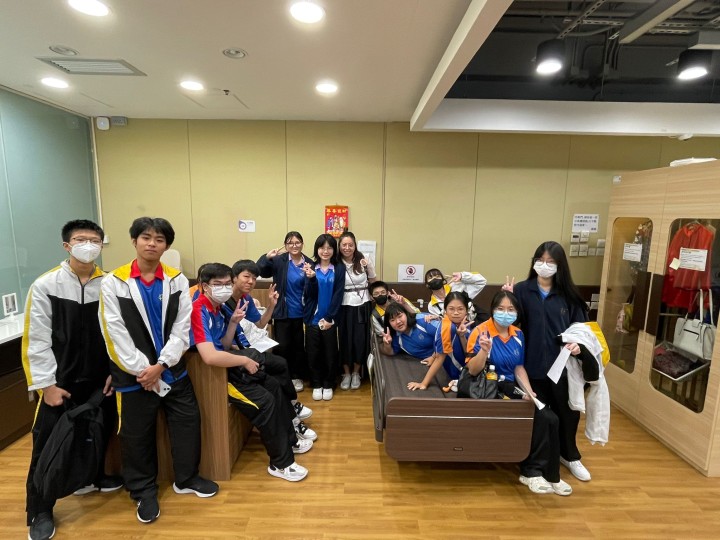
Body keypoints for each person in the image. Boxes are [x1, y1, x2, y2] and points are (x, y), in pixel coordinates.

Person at [99, 217, 218, 525]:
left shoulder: (176, 280)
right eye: (146, 237)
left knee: (188, 422)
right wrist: (144, 370)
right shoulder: (114, 282)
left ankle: (186, 478)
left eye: (160, 239)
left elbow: (181, 327)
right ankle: (143, 491)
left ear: (167, 246)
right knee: (136, 436)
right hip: (134, 377)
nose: (152, 243)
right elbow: (114, 332)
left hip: (172, 370)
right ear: (134, 241)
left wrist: (162, 364)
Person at [22, 219, 121, 540]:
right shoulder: (46, 285)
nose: (88, 245)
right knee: (47, 444)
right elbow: (36, 340)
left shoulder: (109, 284)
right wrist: (46, 386)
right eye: (81, 239)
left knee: (97, 431)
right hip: (60, 381)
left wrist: (114, 371)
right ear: (67, 245)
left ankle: (90, 478)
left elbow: (117, 333)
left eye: (94, 240)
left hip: (100, 379)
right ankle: (40, 509)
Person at [191, 263, 313, 482]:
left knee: (274, 386)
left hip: (230, 365)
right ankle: (281, 463)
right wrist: (244, 359)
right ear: (204, 286)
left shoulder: (219, 308)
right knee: (266, 402)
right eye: (218, 284)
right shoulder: (198, 309)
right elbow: (209, 357)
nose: (224, 288)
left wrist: (233, 323)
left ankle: (290, 440)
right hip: (216, 377)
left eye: (226, 283)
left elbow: (224, 344)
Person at [466, 291, 572, 496]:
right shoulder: (480, 331)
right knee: (540, 417)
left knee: (551, 418)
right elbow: (472, 370)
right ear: (492, 310)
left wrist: (529, 391)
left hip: (513, 385)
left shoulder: (518, 334)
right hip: (490, 386)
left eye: (511, 309)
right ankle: (531, 472)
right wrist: (484, 350)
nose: (505, 313)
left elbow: (518, 368)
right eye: (500, 309)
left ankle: (552, 475)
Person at [510, 241, 591, 482]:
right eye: (540, 260)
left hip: (563, 367)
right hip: (531, 364)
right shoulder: (521, 290)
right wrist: (508, 298)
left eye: (551, 262)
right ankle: (538, 461)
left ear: (560, 265)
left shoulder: (569, 295)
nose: (544, 265)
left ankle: (570, 455)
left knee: (568, 413)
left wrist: (578, 346)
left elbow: (582, 330)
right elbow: (510, 323)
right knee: (540, 416)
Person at [223, 259, 316, 440]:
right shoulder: (222, 301)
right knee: (277, 368)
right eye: (246, 277)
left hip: (245, 348)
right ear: (234, 278)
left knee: (279, 365)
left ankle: (291, 408)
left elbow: (260, 323)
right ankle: (292, 415)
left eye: (254, 278)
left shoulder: (245, 298)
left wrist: (272, 304)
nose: (251, 281)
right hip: (234, 354)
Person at [257, 231, 314, 392]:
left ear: (302, 244)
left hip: (302, 311)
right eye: (290, 243)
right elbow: (261, 271)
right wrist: (266, 257)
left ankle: (297, 376)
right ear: (285, 245)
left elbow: (312, 287)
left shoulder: (309, 263)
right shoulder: (279, 260)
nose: (294, 245)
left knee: (298, 346)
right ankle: (284, 376)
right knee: (283, 346)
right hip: (283, 310)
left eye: (297, 242)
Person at [302, 234, 345, 401]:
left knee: (330, 353)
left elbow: (338, 294)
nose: (325, 251)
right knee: (313, 353)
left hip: (330, 319)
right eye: (322, 247)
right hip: (313, 318)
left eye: (329, 248)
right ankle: (316, 383)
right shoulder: (311, 267)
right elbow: (309, 294)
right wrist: (311, 279)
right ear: (317, 249)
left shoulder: (338, 268)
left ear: (334, 250)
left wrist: (329, 318)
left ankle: (328, 383)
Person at [406, 291, 475, 391]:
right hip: (461, 374)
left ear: (466, 310)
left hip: (470, 372)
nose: (456, 313)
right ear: (445, 310)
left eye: (460, 309)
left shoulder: (467, 325)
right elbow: (440, 356)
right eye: (451, 309)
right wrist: (424, 384)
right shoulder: (447, 327)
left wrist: (462, 336)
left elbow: (469, 354)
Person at [338, 231, 376, 390]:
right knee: (344, 339)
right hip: (343, 305)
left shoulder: (364, 260)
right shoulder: (336, 262)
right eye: (344, 245)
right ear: (339, 246)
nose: (347, 248)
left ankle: (356, 372)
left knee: (360, 340)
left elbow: (373, 280)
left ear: (355, 245)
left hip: (362, 305)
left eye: (350, 245)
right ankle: (346, 373)